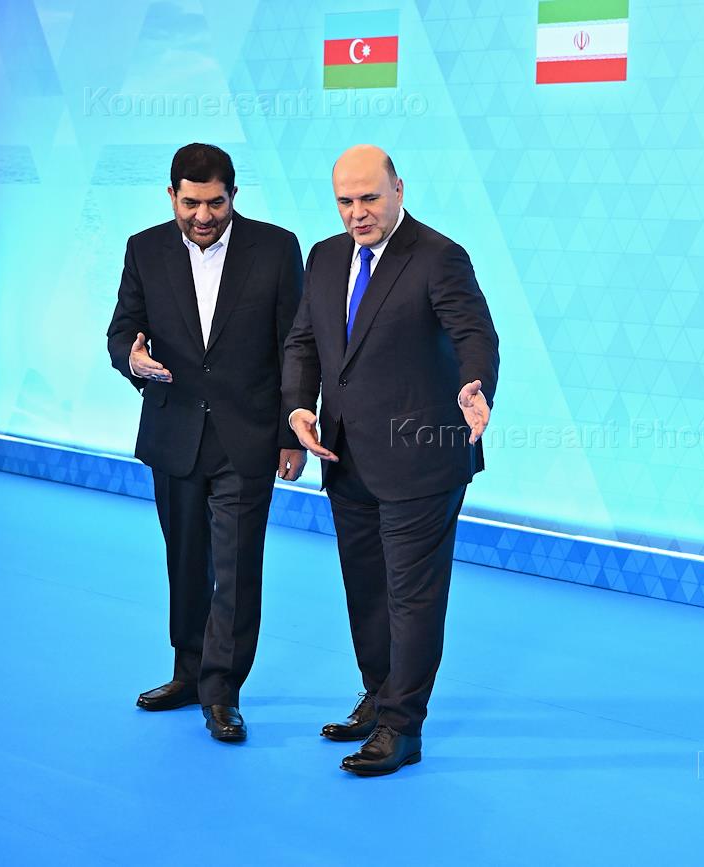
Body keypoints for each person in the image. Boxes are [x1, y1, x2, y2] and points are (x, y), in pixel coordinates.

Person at [283, 144, 499, 776]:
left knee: (411, 597)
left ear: (399, 190)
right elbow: (304, 342)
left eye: (370, 198)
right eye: (345, 201)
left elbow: (475, 334)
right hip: (344, 454)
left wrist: (476, 385)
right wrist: (297, 408)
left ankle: (402, 728)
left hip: (422, 459)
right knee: (367, 591)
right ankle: (378, 695)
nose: (358, 212)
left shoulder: (438, 256)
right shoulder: (324, 256)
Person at [107, 143, 306, 743]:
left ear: (233, 196)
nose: (202, 216)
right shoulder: (143, 249)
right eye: (190, 203)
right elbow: (122, 330)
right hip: (174, 434)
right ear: (171, 196)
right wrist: (133, 359)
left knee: (236, 569)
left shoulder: (277, 248)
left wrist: (290, 433)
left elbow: (294, 348)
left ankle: (222, 692)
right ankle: (188, 672)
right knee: (186, 563)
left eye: (215, 203)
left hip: (248, 438)